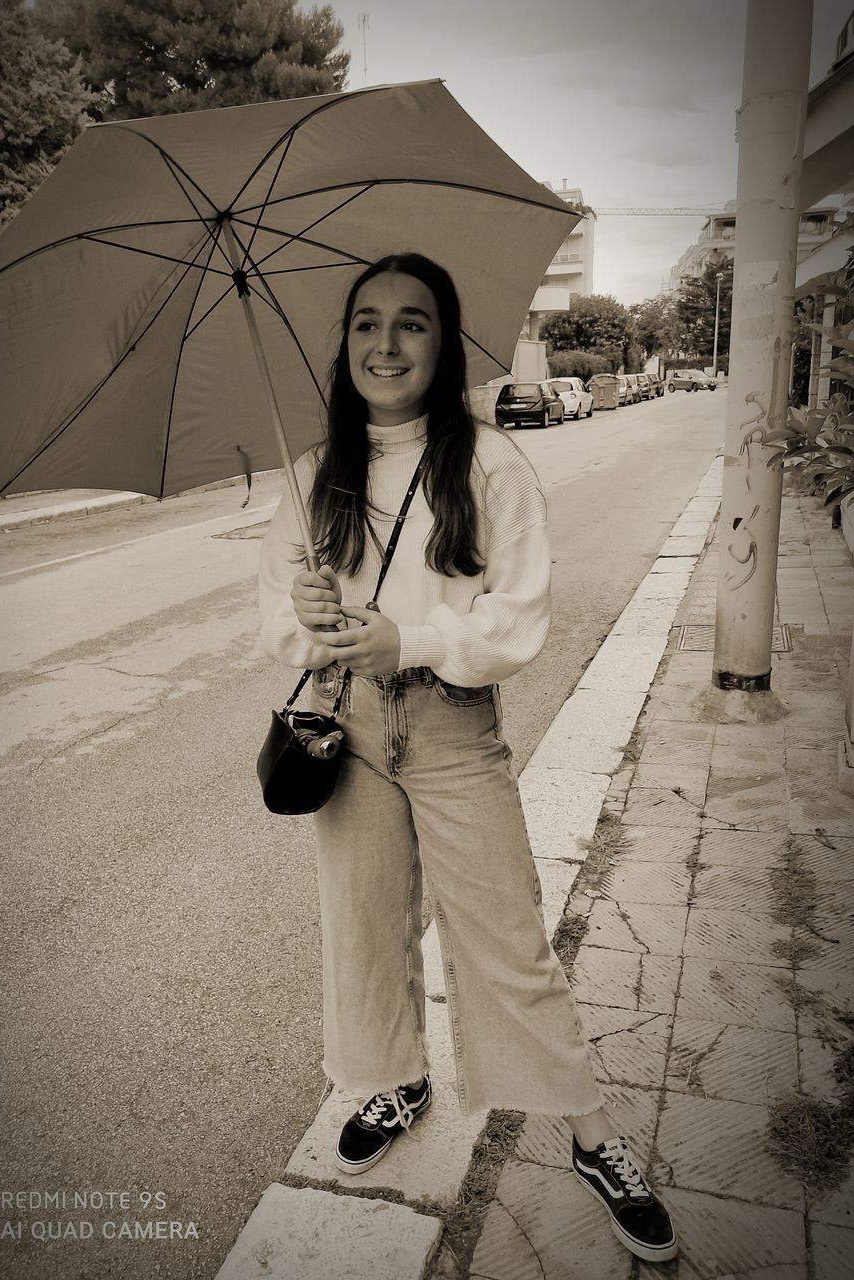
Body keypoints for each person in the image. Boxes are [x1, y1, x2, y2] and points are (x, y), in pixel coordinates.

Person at [258, 253, 678, 1265]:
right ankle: (395, 1077)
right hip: (346, 727)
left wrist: (412, 639)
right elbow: (271, 620)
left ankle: (589, 1128)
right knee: (363, 922)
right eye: (366, 322)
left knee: (505, 932)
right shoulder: (316, 475)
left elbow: (517, 616)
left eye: (410, 323)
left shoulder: (489, 464)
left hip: (450, 726)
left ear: (441, 346)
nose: (384, 343)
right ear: (345, 341)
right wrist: (306, 618)